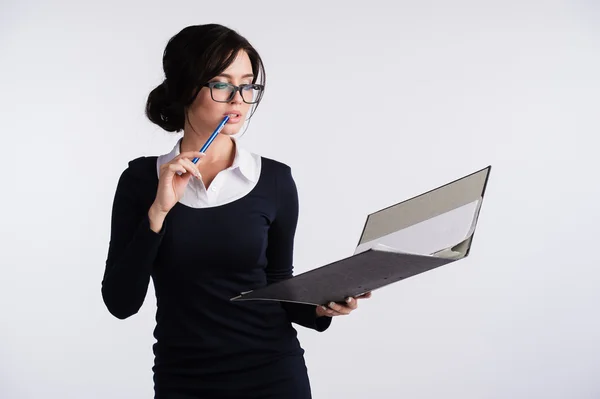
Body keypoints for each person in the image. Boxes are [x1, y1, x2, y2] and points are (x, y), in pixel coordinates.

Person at [101, 23, 371, 399]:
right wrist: (158, 213)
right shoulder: (141, 181)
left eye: (248, 85)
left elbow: (278, 284)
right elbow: (120, 303)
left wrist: (321, 308)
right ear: (184, 88)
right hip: (185, 379)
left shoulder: (275, 180)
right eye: (222, 84)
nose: (238, 100)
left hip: (274, 374)